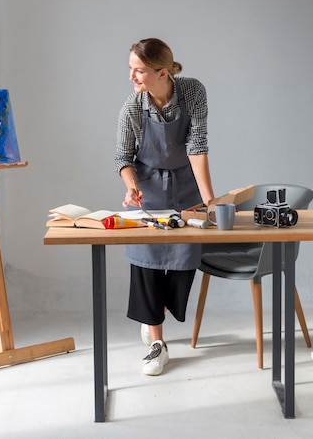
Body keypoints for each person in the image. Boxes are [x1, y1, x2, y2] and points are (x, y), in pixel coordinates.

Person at [115, 37, 215, 376]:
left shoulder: (192, 92)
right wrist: (131, 188)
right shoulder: (132, 107)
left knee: (185, 263)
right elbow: (122, 158)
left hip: (186, 189)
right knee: (147, 266)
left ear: (161, 72)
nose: (132, 77)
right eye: (131, 69)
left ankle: (154, 315)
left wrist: (208, 202)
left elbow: (197, 147)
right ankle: (158, 343)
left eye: (139, 71)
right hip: (147, 193)